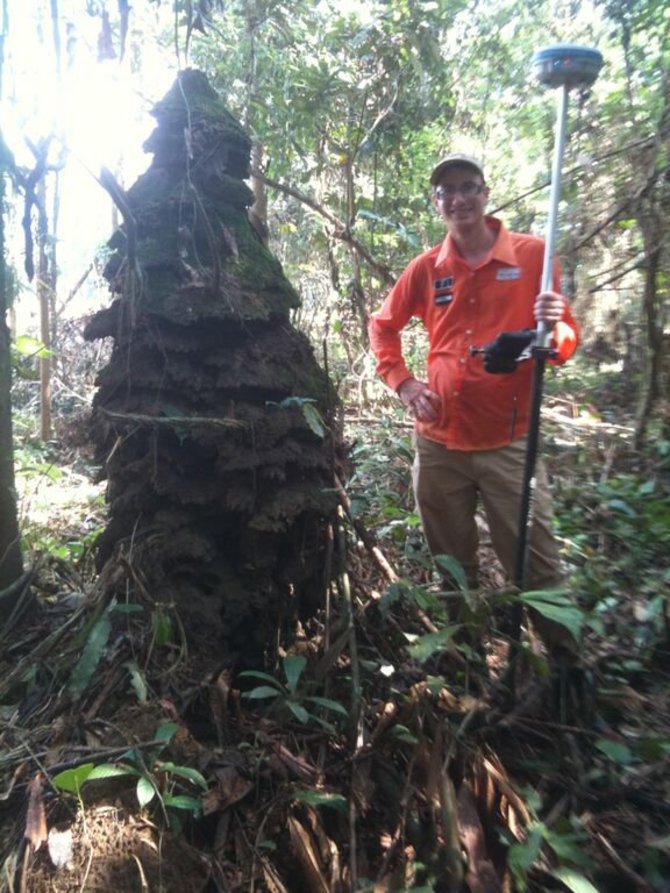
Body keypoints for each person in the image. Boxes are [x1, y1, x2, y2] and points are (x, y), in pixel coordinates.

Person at [368, 153, 579, 650]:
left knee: (536, 561)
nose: (458, 199)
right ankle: (463, 658)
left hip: (509, 443)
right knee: (450, 564)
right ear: (437, 203)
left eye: (468, 187)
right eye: (447, 192)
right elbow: (383, 327)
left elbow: (565, 339)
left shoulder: (534, 256)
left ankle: (569, 670)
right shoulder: (427, 268)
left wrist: (556, 328)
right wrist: (404, 383)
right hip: (439, 444)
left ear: (486, 193)